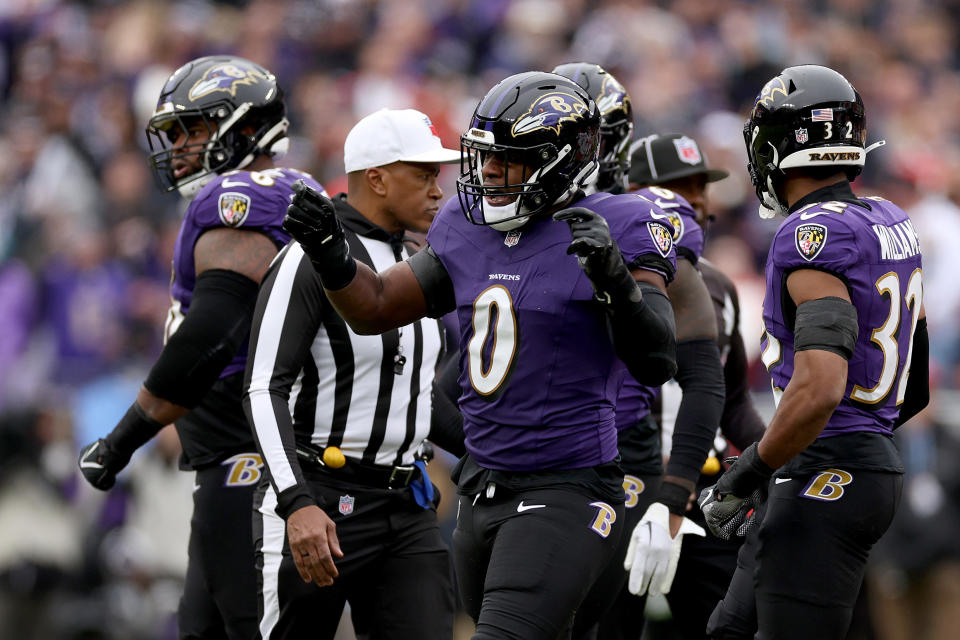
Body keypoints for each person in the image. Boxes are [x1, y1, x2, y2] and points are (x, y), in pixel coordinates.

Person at [282, 71, 682, 640]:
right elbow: (373, 306)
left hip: (566, 489)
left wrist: (615, 280)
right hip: (482, 491)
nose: (487, 172)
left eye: (508, 159)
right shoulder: (466, 224)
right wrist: (329, 254)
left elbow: (657, 360)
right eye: (485, 156)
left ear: (559, 160)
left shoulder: (619, 225)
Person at [76, 55, 321, 639]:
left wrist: (120, 440)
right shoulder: (288, 191)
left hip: (252, 462)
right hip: (239, 461)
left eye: (193, 129)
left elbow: (212, 335)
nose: (179, 145)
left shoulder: (241, 197)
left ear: (243, 129)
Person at [700, 64, 929, 640]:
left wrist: (748, 470)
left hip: (829, 468)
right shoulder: (889, 219)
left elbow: (822, 385)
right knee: (729, 629)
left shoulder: (812, 234)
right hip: (844, 462)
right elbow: (916, 382)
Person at [242, 108, 459, 639]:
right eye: (424, 174)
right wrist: (296, 503)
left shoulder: (419, 261)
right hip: (320, 493)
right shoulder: (308, 259)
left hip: (405, 503)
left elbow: (415, 396)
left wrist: (499, 455)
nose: (438, 190)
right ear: (377, 177)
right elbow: (262, 387)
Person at [548, 64, 725, 640]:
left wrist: (676, 493)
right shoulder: (496, 226)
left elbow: (705, 377)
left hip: (623, 452)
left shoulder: (644, 223)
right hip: (530, 459)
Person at [625, 132, 768, 640]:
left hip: (705, 489)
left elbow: (732, 401)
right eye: (678, 188)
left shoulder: (719, 286)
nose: (697, 202)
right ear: (635, 191)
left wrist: (774, 456)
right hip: (629, 484)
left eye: (701, 188)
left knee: (720, 627)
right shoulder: (610, 280)